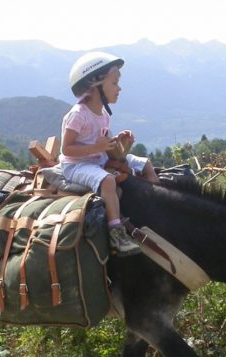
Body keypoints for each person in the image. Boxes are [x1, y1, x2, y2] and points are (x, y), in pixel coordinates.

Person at [60, 51, 160, 256]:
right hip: (76, 164)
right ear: (94, 85)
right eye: (114, 83)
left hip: (98, 158)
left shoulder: (103, 115)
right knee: (108, 181)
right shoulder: (78, 115)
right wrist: (96, 148)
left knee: (145, 163)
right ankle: (116, 232)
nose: (119, 88)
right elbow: (66, 149)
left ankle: (157, 202)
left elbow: (113, 153)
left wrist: (122, 146)